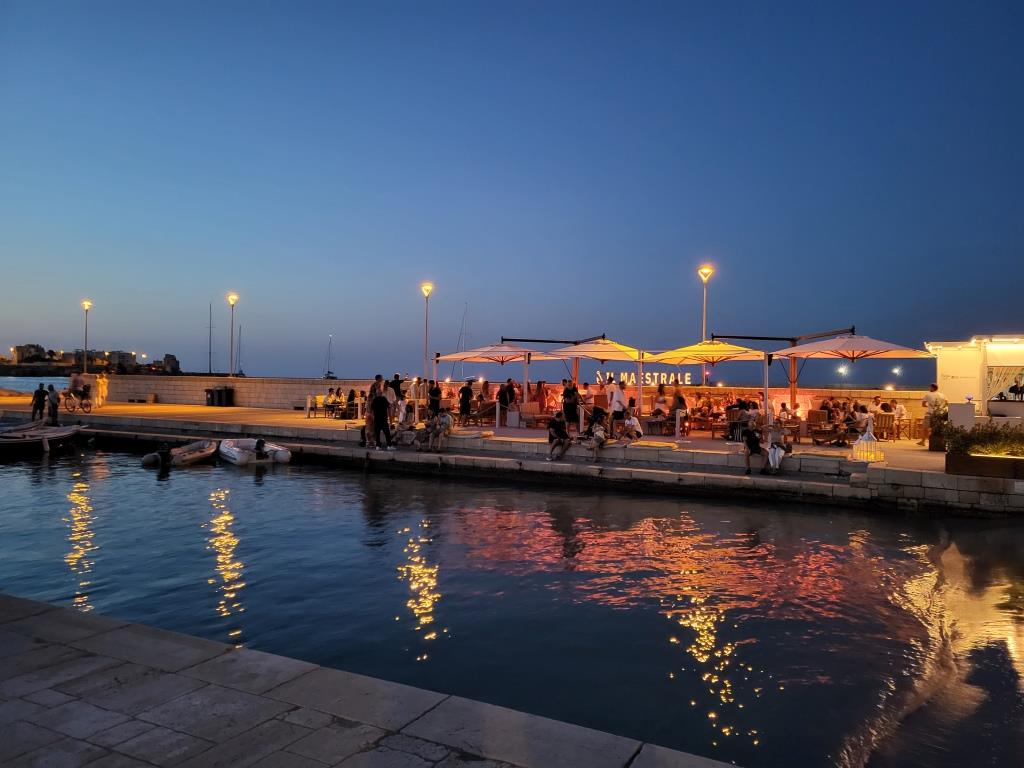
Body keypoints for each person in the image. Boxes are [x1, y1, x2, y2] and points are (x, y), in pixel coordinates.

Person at [371, 385, 395, 450]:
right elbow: (389, 408)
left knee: (377, 433)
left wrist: (373, 419)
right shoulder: (384, 399)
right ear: (381, 393)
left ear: (376, 393)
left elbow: (372, 411)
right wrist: (391, 420)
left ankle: (378, 446)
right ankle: (389, 445)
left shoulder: (374, 400)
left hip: (376, 419)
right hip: (383, 419)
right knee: (387, 433)